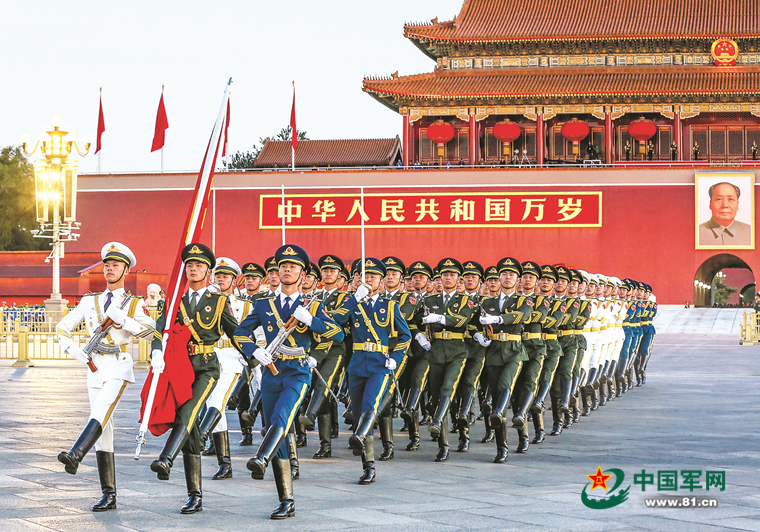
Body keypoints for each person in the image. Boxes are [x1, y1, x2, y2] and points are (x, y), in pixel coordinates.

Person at [234, 244, 343, 520]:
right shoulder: (264, 304)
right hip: (272, 371)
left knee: (281, 418)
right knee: (278, 433)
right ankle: (286, 500)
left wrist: (312, 321)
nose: (286, 270)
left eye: (293, 267)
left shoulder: (312, 305)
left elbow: (338, 334)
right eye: (282, 266)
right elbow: (239, 333)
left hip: (297, 371)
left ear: (303, 275)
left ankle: (261, 457)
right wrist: (254, 351)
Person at [57, 242, 156, 512]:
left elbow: (152, 333)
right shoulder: (89, 301)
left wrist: (124, 320)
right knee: (104, 430)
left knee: (100, 411)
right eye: (107, 265)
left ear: (126, 270)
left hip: (119, 366)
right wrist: (72, 349)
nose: (110, 269)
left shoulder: (133, 304)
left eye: (116, 265)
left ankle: (76, 453)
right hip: (95, 367)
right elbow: (62, 327)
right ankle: (108, 494)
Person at [149, 243, 243, 514]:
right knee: (189, 429)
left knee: (188, 411)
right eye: (189, 265)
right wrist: (156, 352)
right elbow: (159, 330)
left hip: (206, 368)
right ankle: (195, 495)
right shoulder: (174, 301)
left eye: (199, 265)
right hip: (180, 367)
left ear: (207, 271)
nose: (193, 269)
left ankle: (166, 458)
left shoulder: (219, 301)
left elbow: (236, 333)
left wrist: (255, 356)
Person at [333, 258, 411, 482]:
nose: (368, 280)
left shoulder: (390, 306)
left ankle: (359, 437)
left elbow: (406, 336)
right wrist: (354, 298)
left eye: (373, 277)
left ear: (381, 281)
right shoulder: (353, 302)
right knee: (358, 414)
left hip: (380, 364)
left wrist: (396, 358)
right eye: (364, 276)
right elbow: (336, 320)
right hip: (357, 363)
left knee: (371, 405)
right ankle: (368, 466)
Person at [197, 258, 250, 480]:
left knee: (217, 402)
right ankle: (225, 463)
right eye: (217, 275)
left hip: (231, 358)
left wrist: (251, 355)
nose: (220, 279)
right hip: (208, 356)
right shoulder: (205, 302)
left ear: (234, 280)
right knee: (214, 407)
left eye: (225, 276)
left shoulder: (244, 306)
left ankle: (200, 436)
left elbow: (254, 334)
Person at [421, 258, 475, 462]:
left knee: (449, 387)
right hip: (436, 350)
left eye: (452, 275)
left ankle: (461, 434)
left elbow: (463, 320)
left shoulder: (466, 300)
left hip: (457, 351)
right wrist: (420, 335)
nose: (448, 278)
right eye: (445, 275)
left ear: (458, 279)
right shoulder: (430, 300)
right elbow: (419, 320)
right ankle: (443, 445)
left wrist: (440, 318)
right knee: (437, 396)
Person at [299, 254, 350, 460]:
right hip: (315, 349)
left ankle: (311, 418)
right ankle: (324, 443)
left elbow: (339, 318)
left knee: (324, 385)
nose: (328, 274)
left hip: (335, 349)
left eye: (333, 271)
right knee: (315, 391)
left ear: (339, 275)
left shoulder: (345, 298)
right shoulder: (314, 297)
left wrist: (315, 319)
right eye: (325, 270)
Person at [698, 182, 751, 246]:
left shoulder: (752, 232)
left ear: (737, 205)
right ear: (710, 204)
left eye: (730, 199)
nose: (725, 205)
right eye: (719, 199)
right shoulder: (696, 233)